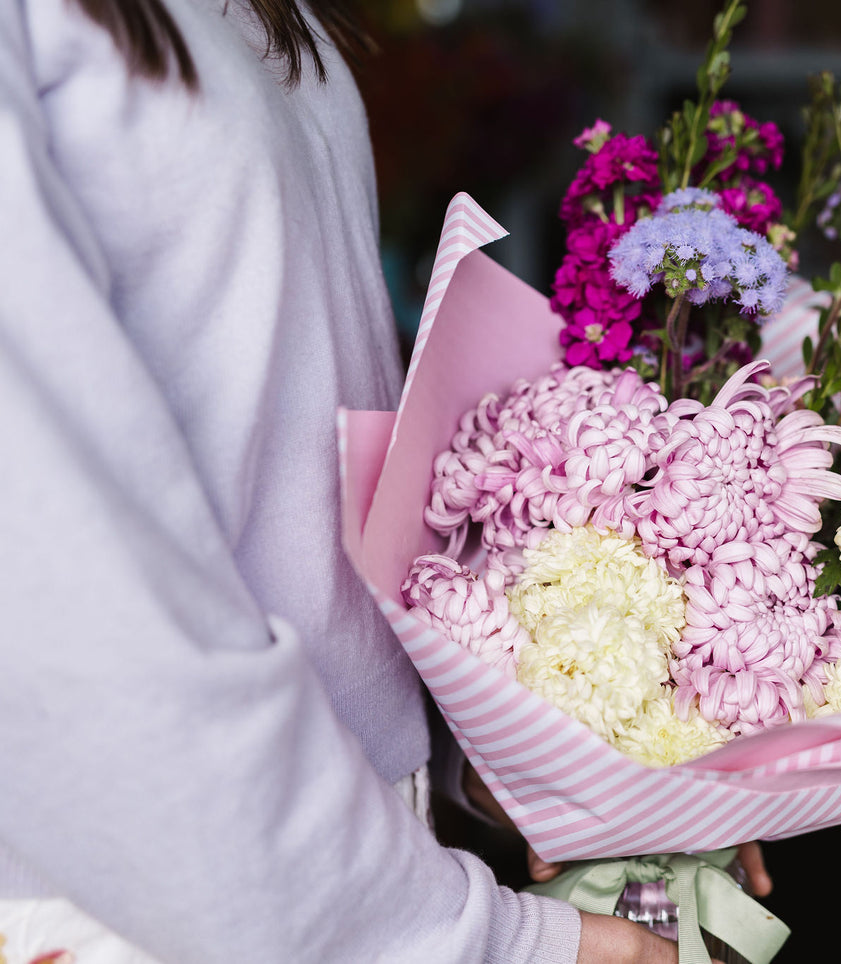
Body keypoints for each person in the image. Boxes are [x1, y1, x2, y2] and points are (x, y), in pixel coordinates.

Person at [0, 1, 765, 960]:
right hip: (145, 892)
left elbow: (280, 434)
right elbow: (52, 589)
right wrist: (477, 941)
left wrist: (537, 744)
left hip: (335, 865)